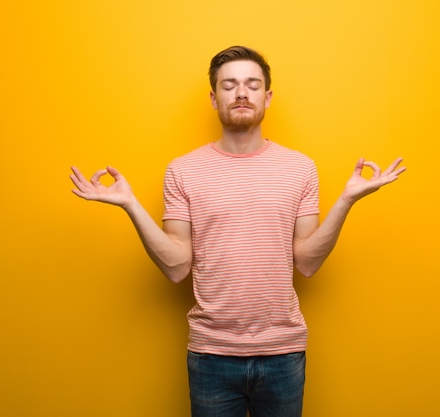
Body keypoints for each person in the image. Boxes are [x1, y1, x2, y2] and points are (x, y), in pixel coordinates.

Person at [70, 45, 406, 417]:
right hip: (211, 355)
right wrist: (131, 205)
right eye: (229, 85)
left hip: (284, 352)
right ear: (214, 99)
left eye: (252, 84)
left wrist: (346, 200)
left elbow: (307, 263)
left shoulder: (300, 168)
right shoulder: (182, 171)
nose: (241, 93)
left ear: (268, 96)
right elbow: (177, 266)